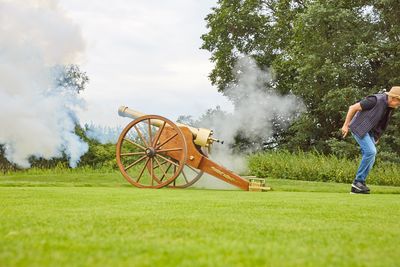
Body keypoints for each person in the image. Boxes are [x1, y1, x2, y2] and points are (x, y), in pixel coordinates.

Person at [341, 86, 400, 194]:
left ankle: (359, 185)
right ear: (393, 98)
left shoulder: (388, 107)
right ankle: (357, 181)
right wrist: (345, 125)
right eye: (399, 102)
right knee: (371, 152)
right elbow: (352, 108)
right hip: (359, 127)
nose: (398, 105)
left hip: (370, 132)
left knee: (371, 157)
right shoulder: (374, 100)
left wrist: (377, 137)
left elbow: (381, 123)